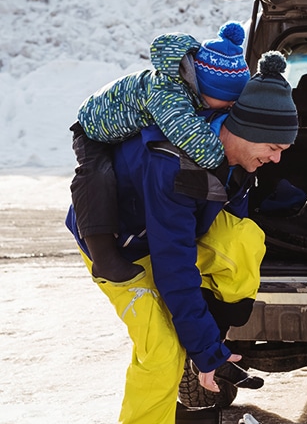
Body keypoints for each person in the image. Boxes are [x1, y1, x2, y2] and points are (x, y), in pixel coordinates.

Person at [66, 51, 299, 424]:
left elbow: (228, 222)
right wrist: (202, 350)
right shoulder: (177, 163)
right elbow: (175, 271)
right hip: (122, 247)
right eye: (273, 147)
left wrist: (210, 341)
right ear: (245, 129)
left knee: (242, 239)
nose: (276, 158)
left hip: (168, 233)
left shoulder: (229, 147)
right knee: (162, 351)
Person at [70, 20, 251, 283]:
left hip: (125, 128)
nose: (232, 105)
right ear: (207, 89)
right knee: (97, 175)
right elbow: (191, 135)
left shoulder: (192, 89)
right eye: (230, 99)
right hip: (93, 127)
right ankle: (103, 257)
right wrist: (223, 156)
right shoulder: (168, 93)